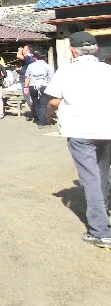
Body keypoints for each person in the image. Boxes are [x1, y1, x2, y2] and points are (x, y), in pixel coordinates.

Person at [44, 32, 111, 248]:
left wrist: (48, 115)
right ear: (96, 48)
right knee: (102, 173)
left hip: (80, 131)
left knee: (90, 178)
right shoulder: (108, 70)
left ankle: (100, 230)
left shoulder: (66, 71)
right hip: (108, 129)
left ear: (72, 50)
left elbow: (54, 101)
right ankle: (103, 208)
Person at [24, 48, 53, 126]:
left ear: (35, 57)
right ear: (45, 57)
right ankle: (42, 121)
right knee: (43, 104)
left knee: (36, 103)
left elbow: (27, 77)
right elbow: (51, 78)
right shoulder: (47, 66)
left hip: (32, 85)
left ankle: (37, 118)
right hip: (44, 85)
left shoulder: (31, 66)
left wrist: (25, 87)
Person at [17, 45, 36, 115]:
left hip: (25, 79)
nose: (23, 51)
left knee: (27, 96)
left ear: (28, 51)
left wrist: (20, 49)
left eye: (24, 49)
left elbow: (18, 56)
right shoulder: (32, 58)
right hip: (28, 78)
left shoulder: (28, 57)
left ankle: (34, 112)